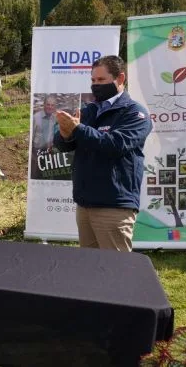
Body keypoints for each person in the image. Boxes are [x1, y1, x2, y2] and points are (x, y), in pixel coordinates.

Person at [54, 55, 152, 252]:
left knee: (116, 273)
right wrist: (64, 134)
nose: (95, 85)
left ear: (120, 79)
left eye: (101, 80)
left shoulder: (135, 113)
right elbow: (64, 145)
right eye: (92, 80)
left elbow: (115, 144)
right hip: (85, 205)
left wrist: (77, 130)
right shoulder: (89, 111)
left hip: (113, 206)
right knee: (90, 271)